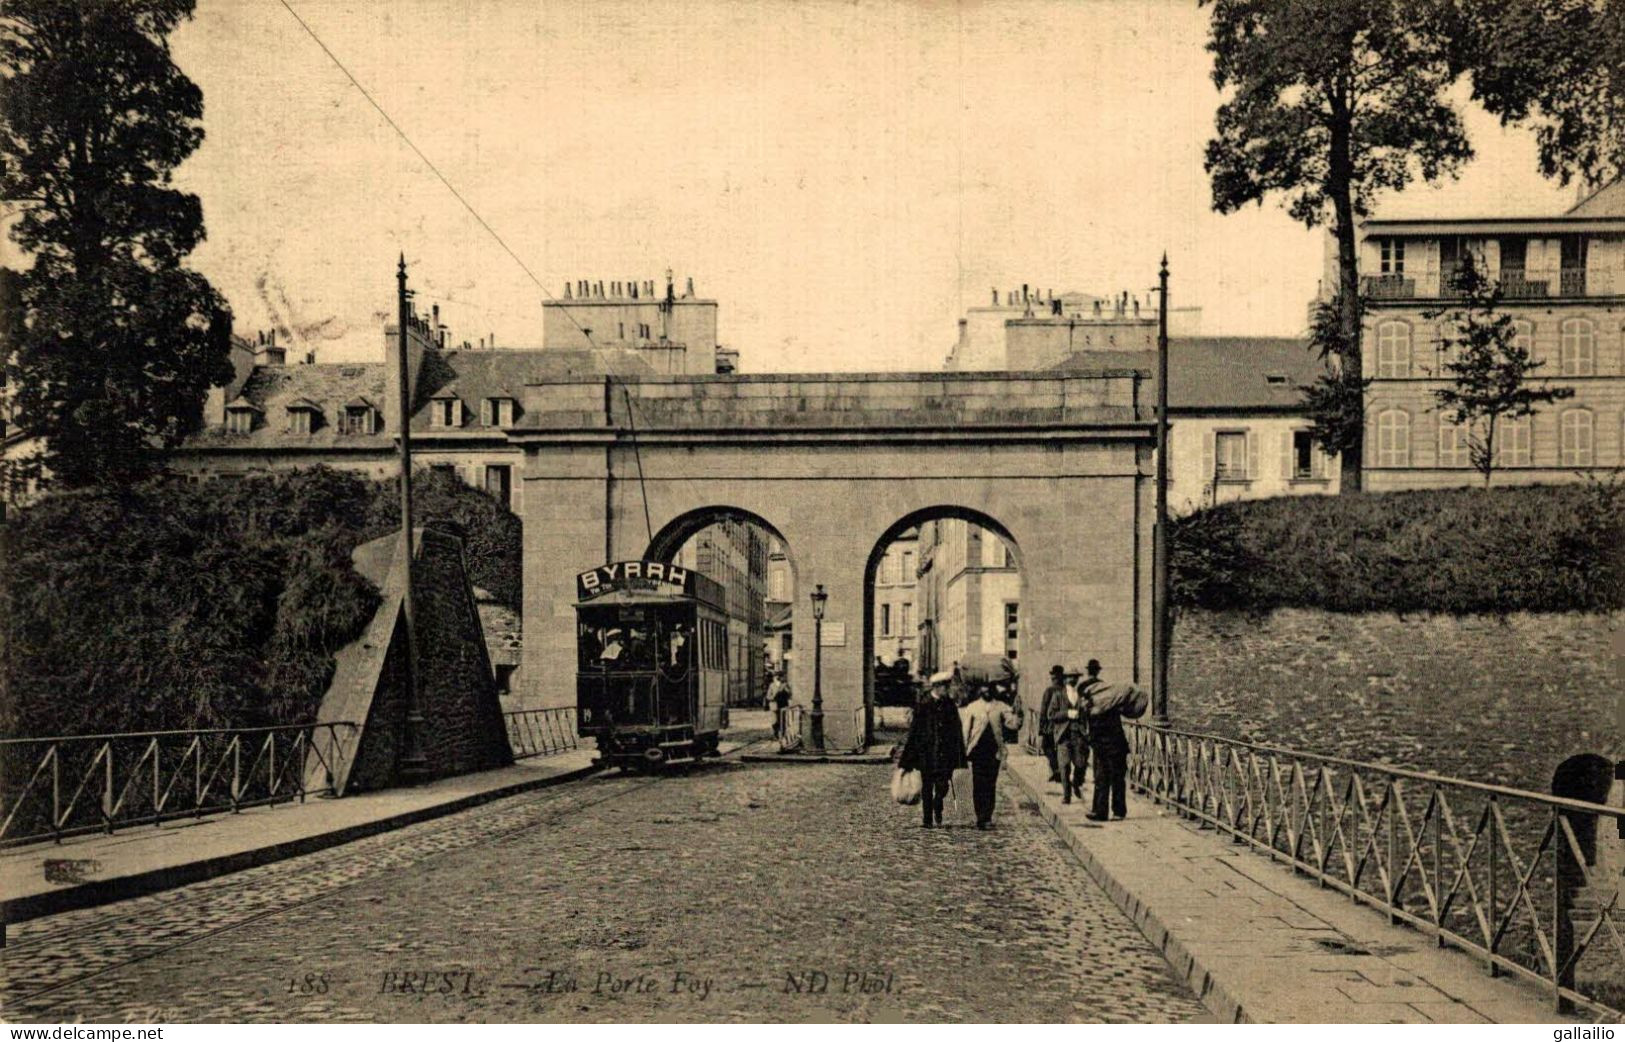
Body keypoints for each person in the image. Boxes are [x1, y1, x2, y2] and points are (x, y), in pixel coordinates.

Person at [1081, 659, 1146, 822]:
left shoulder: (1091, 697)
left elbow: (1089, 723)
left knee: (1101, 778)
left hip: (1103, 745)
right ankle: (1118, 812)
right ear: (1098, 671)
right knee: (1117, 779)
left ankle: (1100, 812)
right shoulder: (1109, 694)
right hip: (1117, 744)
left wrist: (1089, 739)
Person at [897, 678, 966, 828]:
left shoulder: (950, 705)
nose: (947, 690)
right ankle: (927, 819)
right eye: (944, 687)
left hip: (945, 755)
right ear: (936, 687)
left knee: (943, 786)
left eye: (947, 686)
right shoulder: (923, 705)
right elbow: (914, 732)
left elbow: (957, 731)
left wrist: (959, 755)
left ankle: (938, 803)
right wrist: (908, 759)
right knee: (927, 787)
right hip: (927, 754)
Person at [960, 681, 1024, 830]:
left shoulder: (1001, 706)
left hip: (994, 751)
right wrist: (962, 750)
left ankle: (987, 816)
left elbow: (1012, 724)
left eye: (990, 688)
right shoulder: (973, 707)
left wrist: (1019, 713)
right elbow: (965, 731)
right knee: (978, 784)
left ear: (994, 690)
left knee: (990, 784)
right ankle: (980, 816)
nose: (987, 691)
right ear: (980, 690)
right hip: (977, 751)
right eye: (984, 688)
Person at [1046, 666, 1089, 803]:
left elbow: (1087, 714)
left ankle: (1076, 784)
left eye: (1075, 677)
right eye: (1070, 676)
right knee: (1064, 766)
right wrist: (1067, 714)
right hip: (1063, 736)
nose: (1073, 679)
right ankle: (1067, 795)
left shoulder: (1082, 695)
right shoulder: (1058, 695)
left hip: (1079, 735)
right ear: (1065, 679)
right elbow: (1051, 715)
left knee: (1081, 764)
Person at [1037, 665, 1068, 783]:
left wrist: (1041, 729)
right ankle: (1058, 771)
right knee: (1059, 750)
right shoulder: (1065, 690)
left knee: (1047, 747)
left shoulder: (1049, 690)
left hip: (1050, 726)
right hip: (1063, 725)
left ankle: (1056, 771)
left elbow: (1043, 711)